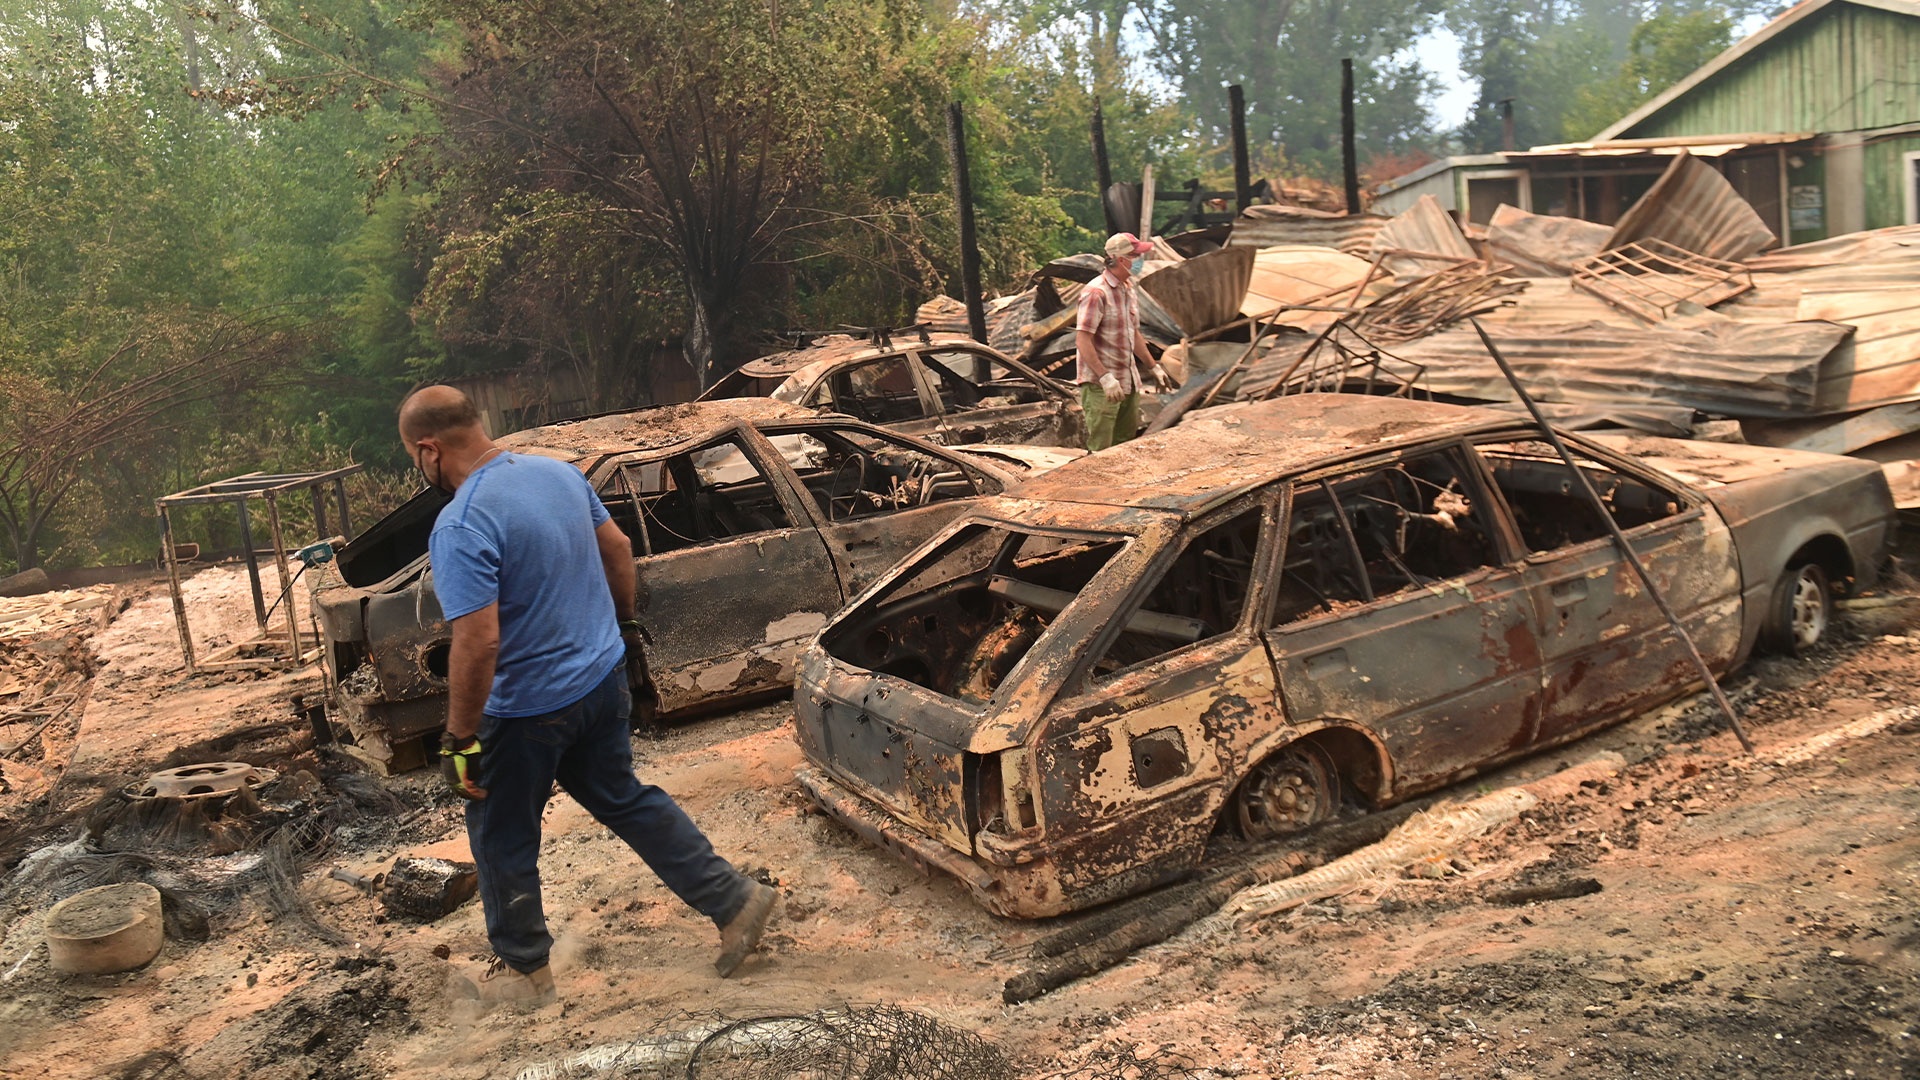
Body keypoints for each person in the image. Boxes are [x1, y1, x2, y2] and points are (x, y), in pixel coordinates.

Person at [398, 385, 777, 1008]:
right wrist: (622, 629)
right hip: (600, 683)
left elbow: (478, 641)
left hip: (526, 713)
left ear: (430, 450)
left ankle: (525, 976)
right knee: (624, 798)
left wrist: (459, 738)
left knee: (501, 834)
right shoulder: (557, 475)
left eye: (417, 459)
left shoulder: (462, 523)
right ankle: (735, 901)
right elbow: (619, 552)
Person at [1074, 231, 1172, 451]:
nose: (1140, 261)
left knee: (1124, 449)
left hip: (1128, 381)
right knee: (1101, 451)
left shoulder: (1128, 289)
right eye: (1136, 256)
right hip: (1102, 386)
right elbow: (1082, 340)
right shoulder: (1096, 293)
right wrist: (1105, 377)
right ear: (1121, 259)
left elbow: (1133, 334)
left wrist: (1153, 367)